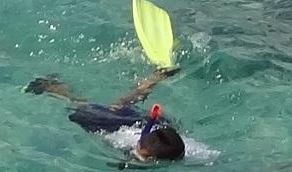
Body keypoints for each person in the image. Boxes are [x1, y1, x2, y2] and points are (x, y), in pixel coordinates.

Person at [24, 69, 197, 163]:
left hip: (151, 124)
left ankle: (152, 80)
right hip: (119, 128)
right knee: (80, 106)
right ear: (150, 158)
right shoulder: (123, 141)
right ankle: (51, 85)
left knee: (120, 106)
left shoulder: (180, 147)